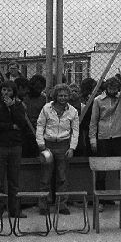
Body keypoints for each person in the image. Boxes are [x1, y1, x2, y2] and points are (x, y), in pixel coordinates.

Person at [0, 80, 33, 220]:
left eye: (8, 90)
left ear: (13, 92)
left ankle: (14, 209)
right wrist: (11, 126)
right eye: (3, 90)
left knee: (14, 180)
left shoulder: (19, 105)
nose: (5, 93)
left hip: (15, 146)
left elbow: (21, 123)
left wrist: (12, 108)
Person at [35, 84, 79, 215]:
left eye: (65, 95)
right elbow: (40, 126)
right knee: (46, 176)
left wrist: (72, 148)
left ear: (69, 96)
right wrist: (41, 144)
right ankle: (43, 204)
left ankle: (62, 205)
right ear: (55, 96)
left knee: (62, 177)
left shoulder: (73, 111)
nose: (63, 98)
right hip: (47, 145)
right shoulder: (46, 108)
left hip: (64, 145)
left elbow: (75, 131)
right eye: (60, 95)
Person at [90, 73, 121, 204]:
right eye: (111, 88)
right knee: (102, 170)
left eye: (116, 88)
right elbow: (93, 121)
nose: (113, 90)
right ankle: (101, 200)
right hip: (103, 138)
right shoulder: (98, 100)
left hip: (119, 137)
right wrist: (93, 139)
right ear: (106, 87)